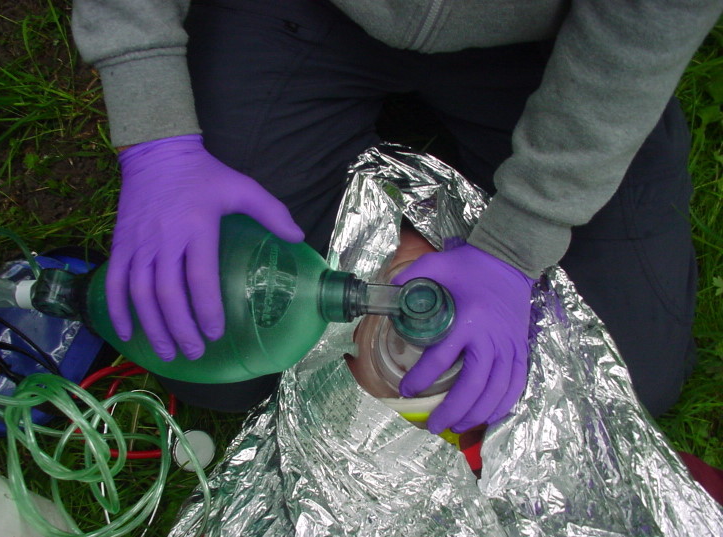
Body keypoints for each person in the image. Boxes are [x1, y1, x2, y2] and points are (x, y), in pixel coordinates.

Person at [70, 0, 722, 434]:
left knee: (628, 379)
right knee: (202, 355)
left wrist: (519, 242)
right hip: (298, 15)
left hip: (552, 43)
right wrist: (157, 139)